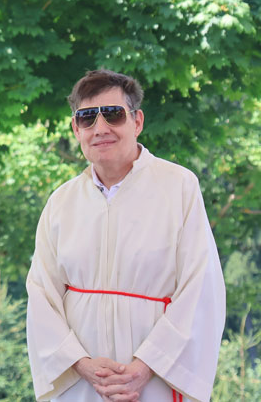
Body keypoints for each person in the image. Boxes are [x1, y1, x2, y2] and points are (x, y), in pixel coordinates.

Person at [26, 69, 225, 402]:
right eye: (87, 118)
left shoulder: (179, 187)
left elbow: (200, 289)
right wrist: (81, 364)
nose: (100, 128)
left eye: (113, 115)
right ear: (76, 129)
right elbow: (41, 296)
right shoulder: (61, 202)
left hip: (156, 379)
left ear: (137, 121)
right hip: (83, 384)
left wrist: (146, 367)